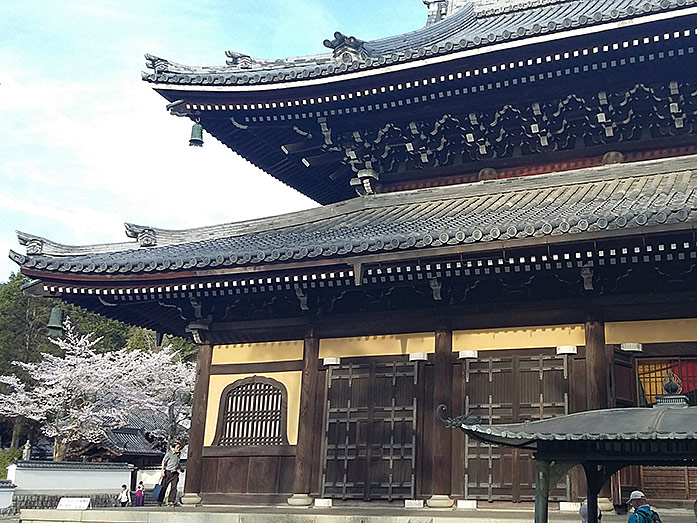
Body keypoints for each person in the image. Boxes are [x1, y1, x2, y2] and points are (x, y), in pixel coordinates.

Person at [160, 441, 182, 506]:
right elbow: (163, 462)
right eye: (177, 447)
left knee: (174, 487)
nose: (178, 449)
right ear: (173, 448)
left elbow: (177, 463)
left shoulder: (179, 454)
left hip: (174, 473)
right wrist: (162, 471)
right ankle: (160, 500)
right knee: (163, 487)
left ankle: (171, 500)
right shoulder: (169, 454)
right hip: (168, 472)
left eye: (179, 447)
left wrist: (180, 468)